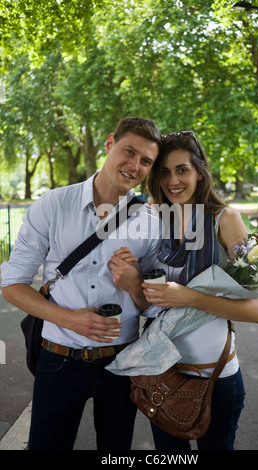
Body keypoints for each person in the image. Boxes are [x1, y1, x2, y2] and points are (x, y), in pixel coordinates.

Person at [1, 117, 162, 450]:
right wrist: (70, 319)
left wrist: (134, 285)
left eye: (146, 161)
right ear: (108, 144)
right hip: (58, 359)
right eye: (128, 151)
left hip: (122, 362)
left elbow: (153, 305)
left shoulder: (150, 222)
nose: (134, 165)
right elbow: (12, 284)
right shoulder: (54, 204)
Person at [109, 130, 258, 451]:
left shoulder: (225, 220)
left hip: (217, 377)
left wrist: (190, 297)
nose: (173, 180)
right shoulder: (152, 220)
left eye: (182, 169)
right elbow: (149, 306)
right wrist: (133, 284)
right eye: (164, 172)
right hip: (162, 375)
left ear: (199, 171)